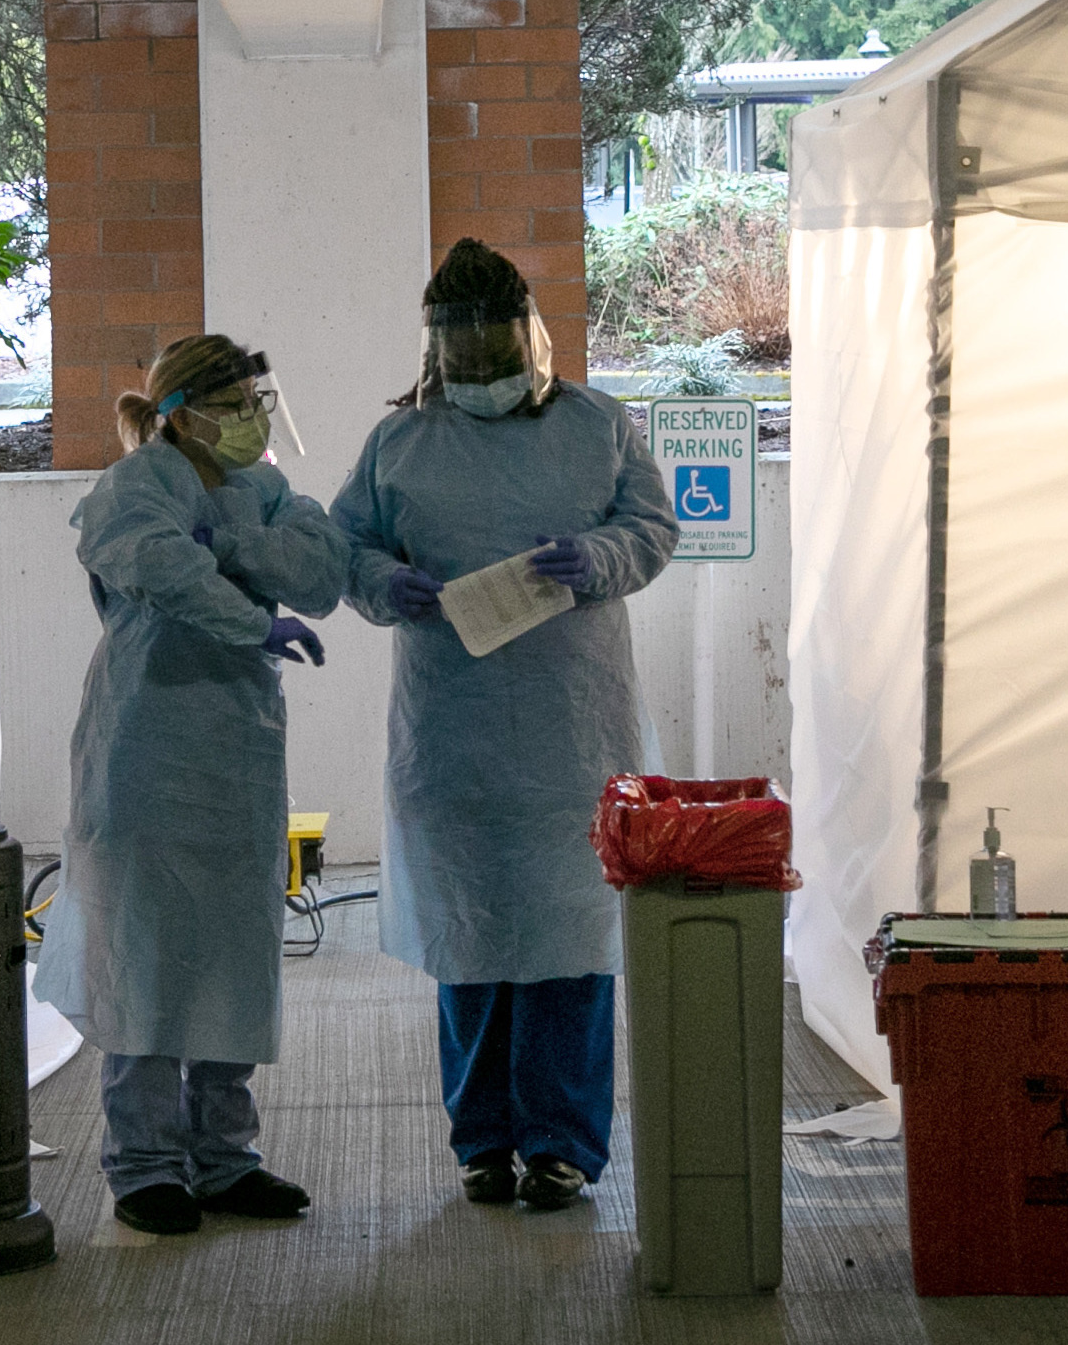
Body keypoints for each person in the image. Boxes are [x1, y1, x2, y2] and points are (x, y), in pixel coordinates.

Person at [332, 239, 678, 1212]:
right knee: (472, 938)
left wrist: (599, 559)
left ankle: (562, 1145)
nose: (483, 369)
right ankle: (483, 1142)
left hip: (576, 727)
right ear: (438, 351)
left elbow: (652, 529)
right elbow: (346, 541)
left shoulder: (598, 426)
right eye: (465, 351)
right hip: (457, 731)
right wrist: (379, 583)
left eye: (497, 346)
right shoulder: (402, 445)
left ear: (533, 335)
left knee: (573, 939)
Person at [42, 332, 348, 1237]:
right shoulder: (133, 488)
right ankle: (144, 1165)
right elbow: (161, 569)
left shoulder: (260, 488)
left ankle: (224, 1158)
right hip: (147, 741)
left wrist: (236, 544)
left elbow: (321, 570)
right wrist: (242, 608)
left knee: (228, 949)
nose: (257, 420)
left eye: (262, 400)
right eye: (241, 403)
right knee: (145, 949)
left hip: (235, 748)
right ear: (184, 414)